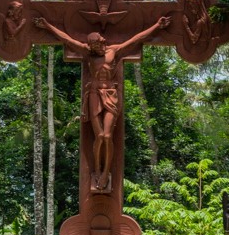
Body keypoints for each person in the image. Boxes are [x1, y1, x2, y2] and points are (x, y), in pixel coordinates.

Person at [34, 15, 171, 190]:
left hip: (111, 95)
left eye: (97, 46)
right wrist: (47, 25)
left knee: (107, 136)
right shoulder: (87, 52)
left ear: (102, 42)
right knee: (98, 136)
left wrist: (157, 26)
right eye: (93, 48)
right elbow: (66, 39)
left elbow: (137, 39)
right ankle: (97, 170)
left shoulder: (114, 51)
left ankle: (106, 172)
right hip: (94, 94)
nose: (96, 50)